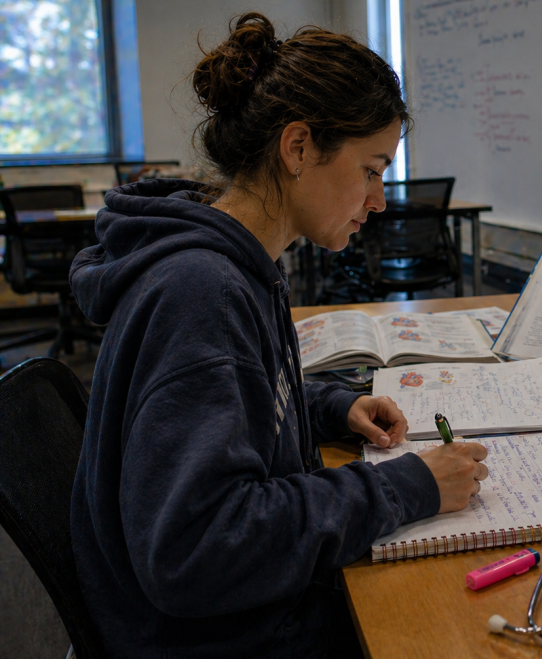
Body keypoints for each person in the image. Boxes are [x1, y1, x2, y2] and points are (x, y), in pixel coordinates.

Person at [69, 13, 488, 658]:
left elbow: (235, 398)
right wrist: (408, 487)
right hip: (216, 639)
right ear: (297, 149)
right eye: (371, 169)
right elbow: (197, 550)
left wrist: (328, 406)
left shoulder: (232, 262)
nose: (378, 200)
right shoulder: (202, 292)